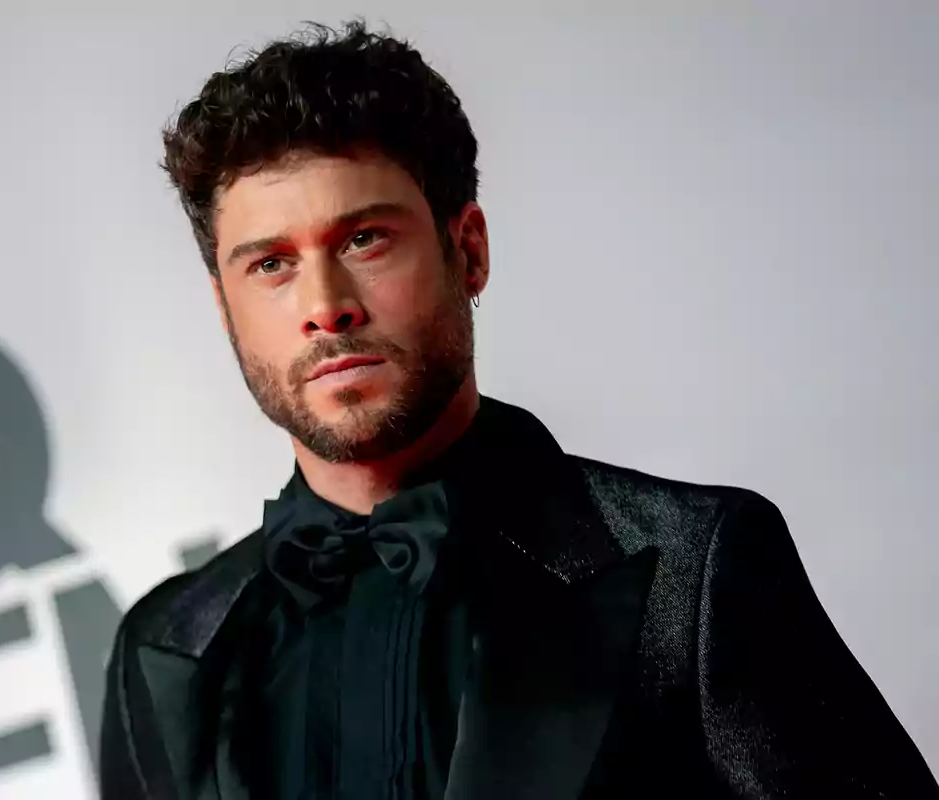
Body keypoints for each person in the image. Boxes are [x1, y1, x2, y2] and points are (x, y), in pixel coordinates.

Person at [99, 20, 937, 800]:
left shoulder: (693, 569)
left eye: (365, 240)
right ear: (225, 308)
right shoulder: (164, 645)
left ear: (469, 251)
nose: (325, 305)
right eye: (272, 263)